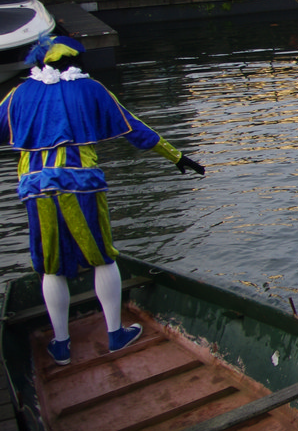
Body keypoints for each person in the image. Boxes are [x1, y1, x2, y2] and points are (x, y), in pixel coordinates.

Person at [0, 35, 205, 365]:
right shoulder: (91, 89)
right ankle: (115, 334)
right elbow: (134, 128)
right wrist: (177, 157)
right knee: (102, 258)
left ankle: (61, 345)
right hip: (80, 182)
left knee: (51, 266)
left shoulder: (18, 94)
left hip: (35, 187)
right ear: (75, 61)